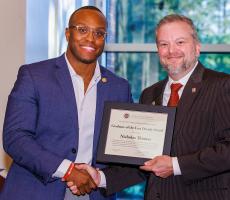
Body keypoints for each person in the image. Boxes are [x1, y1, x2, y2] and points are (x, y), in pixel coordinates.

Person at [68, 14, 230, 200]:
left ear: (197, 47)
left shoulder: (222, 86)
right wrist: (101, 177)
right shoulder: (150, 94)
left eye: (180, 42)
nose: (171, 50)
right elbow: (142, 162)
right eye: (164, 44)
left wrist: (176, 165)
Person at [0, 6, 132, 200]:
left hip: (92, 192)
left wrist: (102, 177)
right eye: (82, 30)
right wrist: (68, 170)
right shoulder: (34, 76)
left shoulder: (119, 87)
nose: (91, 39)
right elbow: (15, 138)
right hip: (37, 190)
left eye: (99, 33)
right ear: (68, 33)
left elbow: (124, 149)